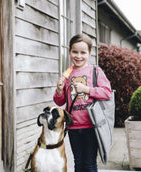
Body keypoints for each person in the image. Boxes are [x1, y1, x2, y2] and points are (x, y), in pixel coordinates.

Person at [53, 34, 112, 172]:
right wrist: (60, 90)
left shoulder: (95, 71)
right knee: (78, 163)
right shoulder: (67, 74)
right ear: (69, 52)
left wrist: (87, 90)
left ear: (90, 53)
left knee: (90, 164)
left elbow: (107, 92)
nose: (78, 56)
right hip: (73, 127)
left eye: (83, 52)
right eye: (75, 52)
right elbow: (59, 101)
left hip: (92, 126)